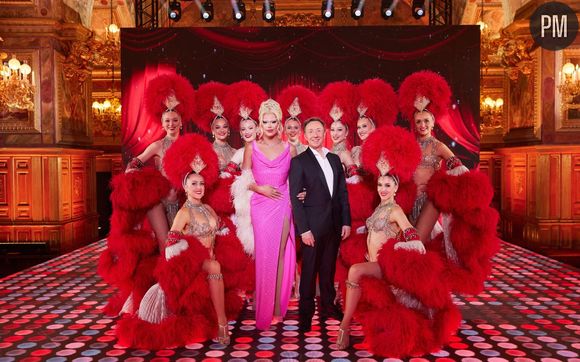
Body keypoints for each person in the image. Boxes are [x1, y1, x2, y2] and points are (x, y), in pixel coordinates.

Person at [289, 117, 351, 332]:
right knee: (308, 273)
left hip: (334, 225)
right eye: (311, 131)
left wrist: (346, 221)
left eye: (318, 130)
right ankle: (305, 316)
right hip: (312, 228)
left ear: (324, 132)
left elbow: (342, 193)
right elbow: (296, 198)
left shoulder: (334, 159)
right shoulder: (299, 162)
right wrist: (303, 229)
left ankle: (328, 307)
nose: (315, 134)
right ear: (305, 135)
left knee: (328, 270)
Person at [242, 99, 297, 330]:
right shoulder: (251, 147)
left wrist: (300, 198)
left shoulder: (290, 148)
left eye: (274, 120)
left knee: (281, 254)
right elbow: (244, 179)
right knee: (265, 255)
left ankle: (277, 308)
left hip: (284, 202)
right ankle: (263, 308)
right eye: (266, 121)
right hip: (261, 204)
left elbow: (296, 180)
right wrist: (260, 188)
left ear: (279, 122)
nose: (270, 125)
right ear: (260, 123)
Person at [124, 73, 195, 250]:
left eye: (175, 121)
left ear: (181, 123)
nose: (171, 124)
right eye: (167, 121)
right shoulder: (157, 146)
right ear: (162, 124)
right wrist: (131, 170)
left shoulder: (190, 144)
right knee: (166, 246)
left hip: (185, 200)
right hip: (162, 201)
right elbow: (136, 162)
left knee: (185, 245)